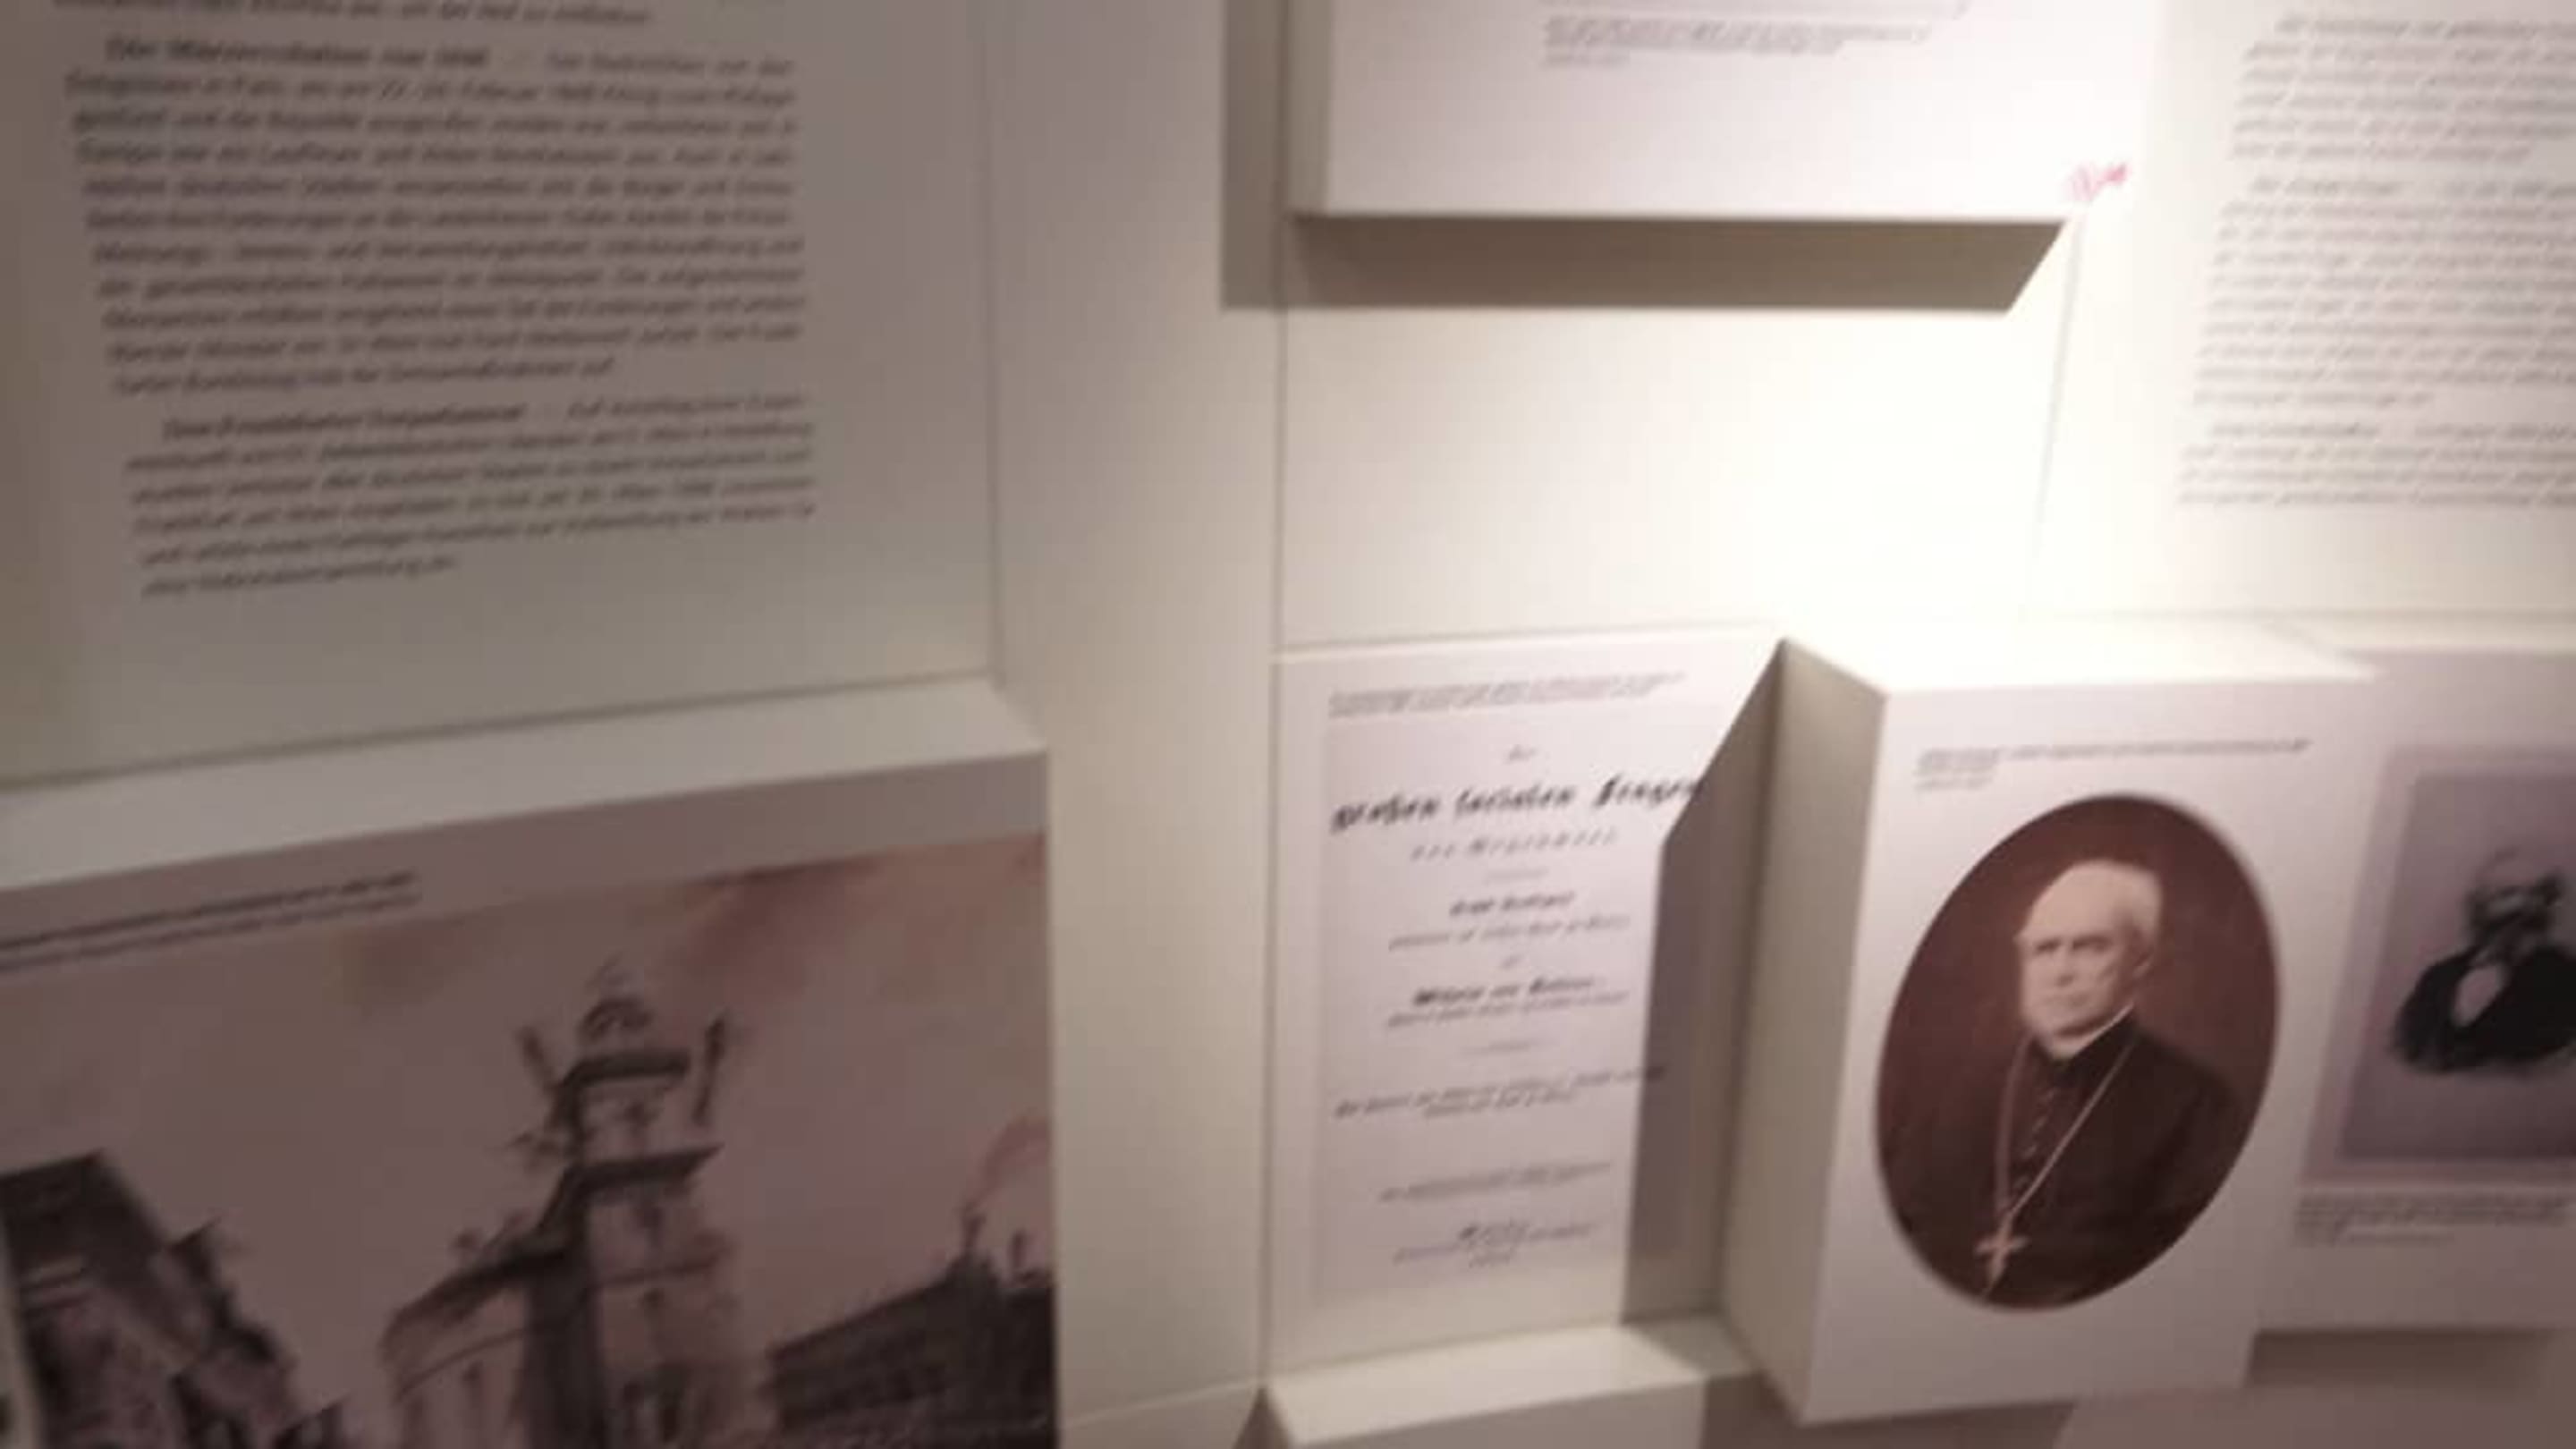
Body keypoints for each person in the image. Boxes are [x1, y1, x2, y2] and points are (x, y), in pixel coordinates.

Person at [1885, 860, 2246, 1308]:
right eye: (2044, 949)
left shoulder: (2197, 1104)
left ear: (2141, 959)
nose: (2060, 972)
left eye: (2090, 948)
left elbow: (2180, 1279)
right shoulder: (1952, 1088)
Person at [2393, 851, 2576, 1073]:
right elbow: (2409, 1049)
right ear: (2479, 908)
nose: (2521, 905)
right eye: (2507, 894)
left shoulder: (2566, 980)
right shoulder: (2438, 978)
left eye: (2537, 895)